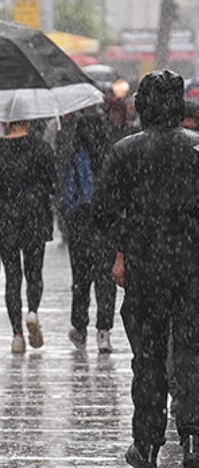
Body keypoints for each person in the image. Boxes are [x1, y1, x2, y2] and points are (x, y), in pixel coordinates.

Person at [94, 69, 199, 468]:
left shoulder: (126, 151)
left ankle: (148, 443)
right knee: (191, 352)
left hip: (145, 268)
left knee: (149, 358)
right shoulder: (196, 150)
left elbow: (102, 213)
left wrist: (125, 244)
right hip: (192, 268)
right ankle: (192, 436)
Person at [0, 119, 57, 354]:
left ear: (7, 122)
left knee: (13, 277)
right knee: (34, 273)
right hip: (34, 217)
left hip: (6, 221)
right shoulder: (42, 148)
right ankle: (32, 311)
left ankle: (17, 335)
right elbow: (52, 182)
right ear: (29, 121)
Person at [60, 109, 117, 353]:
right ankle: (103, 332)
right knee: (106, 279)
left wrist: (68, 216)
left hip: (82, 225)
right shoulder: (113, 157)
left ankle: (80, 329)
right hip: (107, 225)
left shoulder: (76, 158)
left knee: (81, 280)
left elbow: (67, 199)